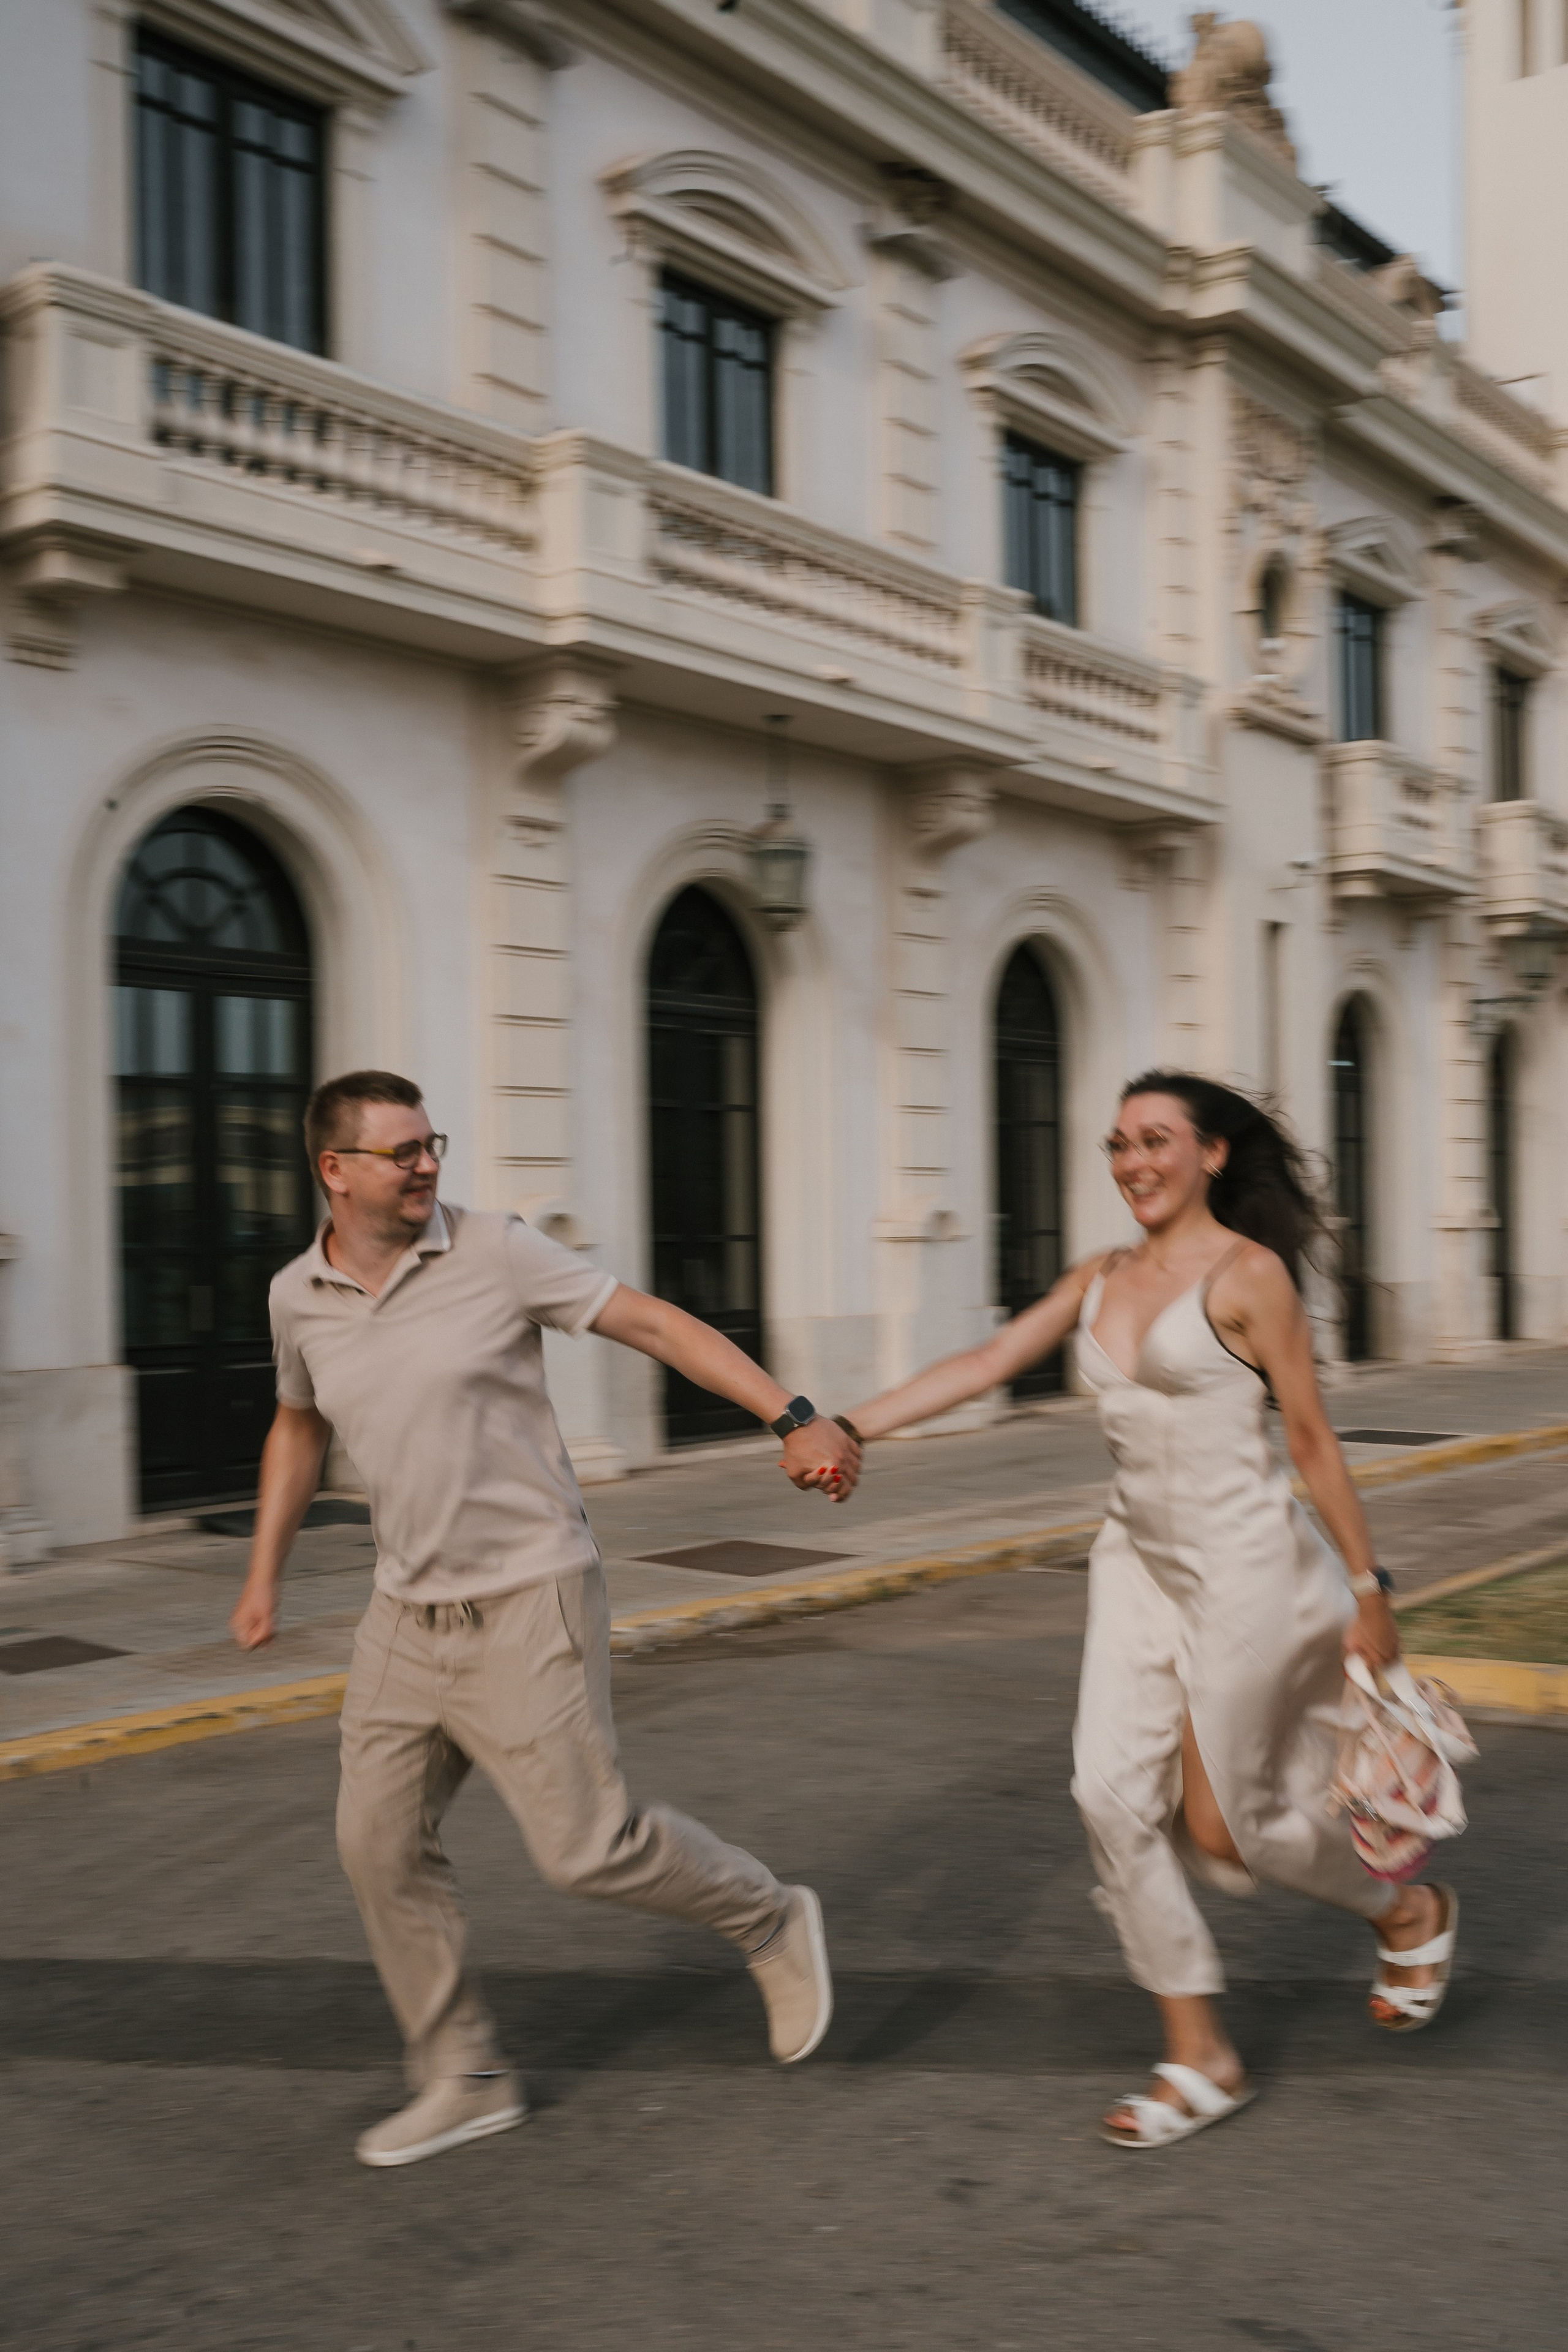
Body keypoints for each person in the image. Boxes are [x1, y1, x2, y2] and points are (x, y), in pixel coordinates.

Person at [231, 1069, 859, 2169]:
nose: (428, 1164)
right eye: (402, 1152)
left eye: (434, 1144)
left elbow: (651, 1322)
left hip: (530, 1595)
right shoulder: (298, 1296)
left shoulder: (495, 1250)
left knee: (587, 1852)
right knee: (375, 1845)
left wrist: (791, 1416)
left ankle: (765, 1914)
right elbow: (295, 1425)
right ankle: (464, 2076)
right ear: (335, 1172)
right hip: (403, 1613)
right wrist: (262, 1574)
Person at [839, 1071, 1458, 2149]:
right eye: (1118, 1145)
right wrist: (848, 1426)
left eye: (1156, 1141)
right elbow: (988, 1359)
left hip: (1250, 1569)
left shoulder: (1250, 1275)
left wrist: (1371, 1587)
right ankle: (1200, 2053)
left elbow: (1309, 1440)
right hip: (1136, 1563)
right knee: (1107, 1795)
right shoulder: (1101, 1275)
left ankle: (1407, 1910)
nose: (1133, 1163)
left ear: (1212, 1154)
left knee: (1235, 1830)